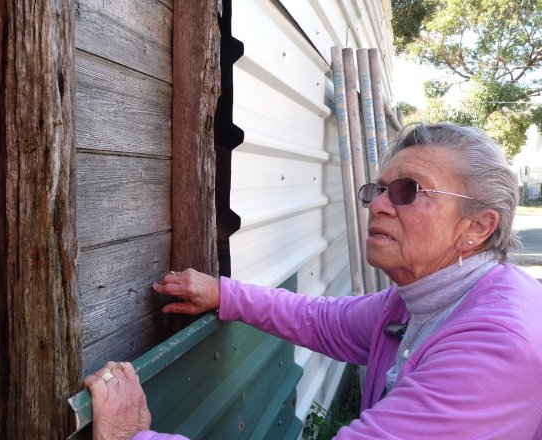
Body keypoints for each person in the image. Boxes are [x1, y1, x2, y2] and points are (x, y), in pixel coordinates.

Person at [84, 123, 542, 439]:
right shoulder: (420, 301)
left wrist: (130, 436)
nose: (379, 205)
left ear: (478, 227)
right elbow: (323, 320)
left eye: (408, 191)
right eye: (378, 190)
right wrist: (223, 292)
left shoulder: (496, 344)